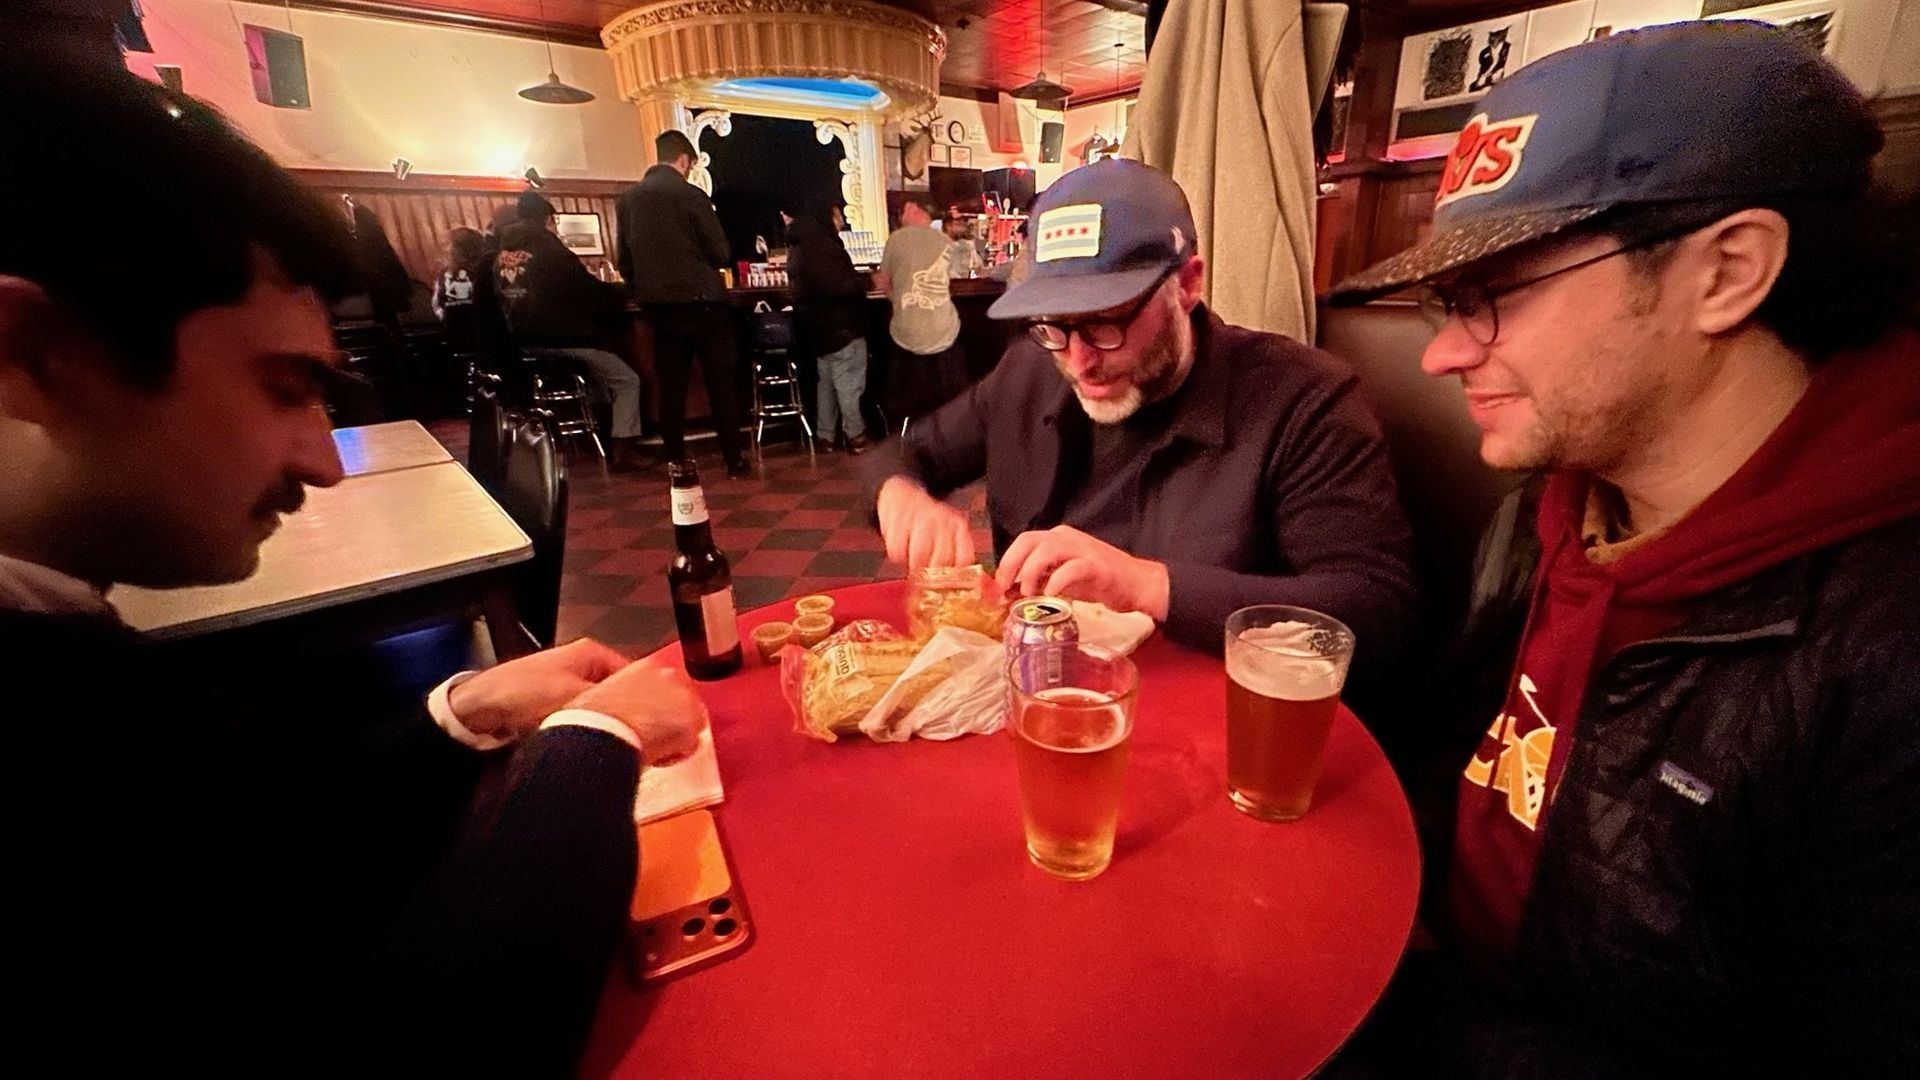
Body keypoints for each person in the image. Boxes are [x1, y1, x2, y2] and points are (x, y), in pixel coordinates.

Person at [0, 68, 707, 1073]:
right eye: (283, 389)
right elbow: (438, 1036)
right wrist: (599, 739)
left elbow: (250, 853)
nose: (326, 462)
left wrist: (467, 709)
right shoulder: (45, 706)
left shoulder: (64, 640)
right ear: (33, 357)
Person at [1326, 23, 1920, 1076]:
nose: (1445, 352)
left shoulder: (1883, 660)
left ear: (1727, 272)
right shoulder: (1550, 510)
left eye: (1495, 295)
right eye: (1446, 304)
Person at [869, 159, 1416, 711]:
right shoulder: (1028, 373)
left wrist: (1146, 585)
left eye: (1107, 321)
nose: (1080, 361)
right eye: (1052, 324)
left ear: (1187, 284)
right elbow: (903, 453)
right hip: (1042, 704)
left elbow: (1375, 613)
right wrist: (900, 491)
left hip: (1209, 726)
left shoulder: (1304, 400)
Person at [615, 129, 749, 478]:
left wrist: (645, 289)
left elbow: (623, 260)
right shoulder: (691, 195)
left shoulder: (628, 201)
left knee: (670, 384)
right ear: (684, 160)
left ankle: (675, 458)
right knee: (720, 381)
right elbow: (720, 253)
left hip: (660, 307)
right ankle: (734, 460)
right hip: (704, 303)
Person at [496, 191, 647, 470]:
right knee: (627, 380)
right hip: (563, 336)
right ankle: (623, 450)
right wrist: (628, 289)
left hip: (525, 341)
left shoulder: (503, 256)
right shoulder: (551, 252)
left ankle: (601, 437)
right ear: (549, 219)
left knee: (599, 377)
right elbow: (590, 293)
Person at [787, 197, 872, 453]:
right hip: (842, 327)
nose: (842, 221)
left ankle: (825, 436)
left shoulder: (798, 246)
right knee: (849, 383)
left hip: (817, 330)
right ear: (826, 217)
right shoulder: (826, 247)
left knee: (826, 383)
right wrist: (867, 281)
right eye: (837, 215)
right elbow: (840, 286)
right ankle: (855, 435)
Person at [874, 196, 968, 429]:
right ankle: (951, 426)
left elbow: (883, 282)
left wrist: (896, 295)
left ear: (912, 210)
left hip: (907, 335)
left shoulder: (896, 239)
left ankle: (905, 429)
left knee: (906, 388)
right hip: (944, 333)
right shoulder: (944, 240)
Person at [431, 225, 486, 354]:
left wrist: (446, 317)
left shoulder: (444, 274)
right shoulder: (483, 270)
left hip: (454, 330)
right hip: (484, 331)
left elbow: (437, 304)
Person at [944, 214, 986, 279]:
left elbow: (979, 268)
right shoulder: (937, 245)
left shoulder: (968, 245)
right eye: (958, 224)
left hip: (963, 286)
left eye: (963, 225)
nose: (962, 229)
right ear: (948, 226)